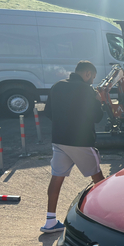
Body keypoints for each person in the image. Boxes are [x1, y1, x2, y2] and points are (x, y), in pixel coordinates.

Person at [40, 61, 105, 233]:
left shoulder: (56, 86)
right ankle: (106, 217)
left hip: (59, 140)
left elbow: (47, 112)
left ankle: (50, 221)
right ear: (88, 74)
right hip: (81, 142)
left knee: (56, 177)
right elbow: (97, 117)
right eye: (92, 77)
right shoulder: (87, 90)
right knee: (98, 178)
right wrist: (99, 101)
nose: (92, 81)